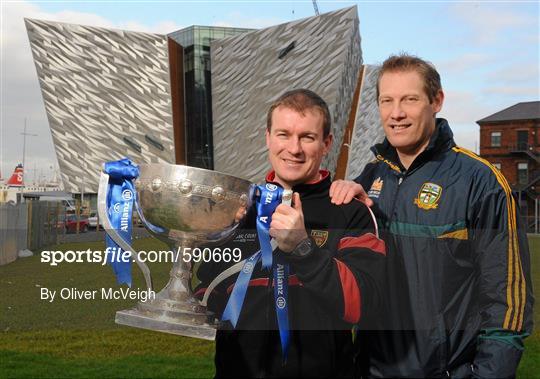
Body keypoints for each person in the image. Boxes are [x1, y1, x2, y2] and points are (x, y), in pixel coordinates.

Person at [330, 54, 534, 378]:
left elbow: (507, 303)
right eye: (387, 101)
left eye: (409, 100)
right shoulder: (368, 179)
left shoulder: (480, 182)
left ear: (436, 100)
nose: (396, 113)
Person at [195, 89, 386, 378]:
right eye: (283, 134)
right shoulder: (238, 209)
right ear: (268, 137)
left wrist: (303, 248)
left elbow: (363, 303)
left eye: (307, 137)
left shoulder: (350, 211)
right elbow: (209, 291)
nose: (294, 149)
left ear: (326, 143)